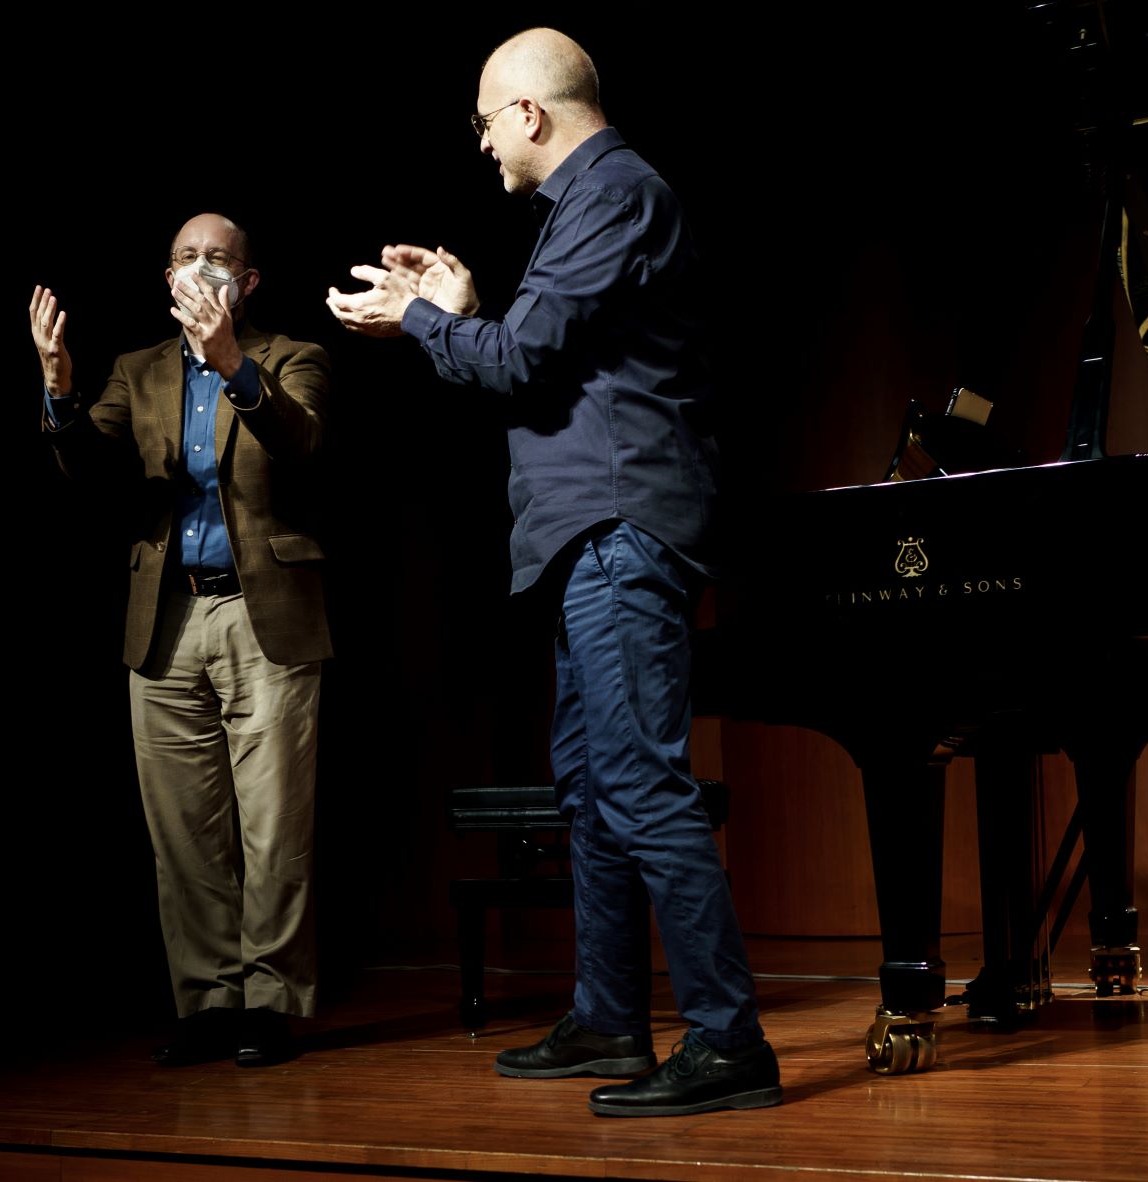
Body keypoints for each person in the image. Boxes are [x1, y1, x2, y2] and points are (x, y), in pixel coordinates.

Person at [326, 29, 781, 1117]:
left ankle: (729, 1041)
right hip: (589, 538)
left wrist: (425, 320)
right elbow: (531, 353)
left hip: (624, 530)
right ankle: (611, 1017)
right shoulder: (584, 210)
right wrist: (462, 316)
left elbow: (520, 363)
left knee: (639, 785)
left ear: (529, 112)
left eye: (485, 123)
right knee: (590, 790)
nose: (482, 147)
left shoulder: (614, 191)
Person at [31, 212, 330, 1068]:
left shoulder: (291, 357)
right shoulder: (139, 371)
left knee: (274, 824)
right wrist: (58, 386)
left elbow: (303, 442)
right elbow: (82, 468)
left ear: (250, 280)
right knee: (183, 831)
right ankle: (206, 1004)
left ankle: (266, 1004)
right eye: (186, 259)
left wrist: (233, 362)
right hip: (165, 620)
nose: (201, 271)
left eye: (219, 260)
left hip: (262, 614)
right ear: (166, 278)